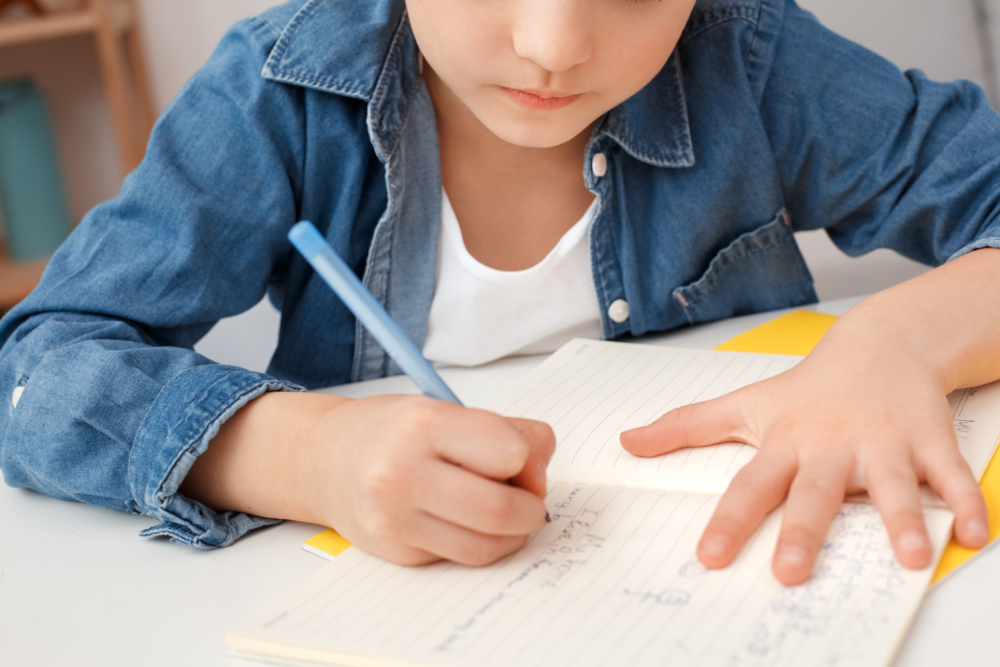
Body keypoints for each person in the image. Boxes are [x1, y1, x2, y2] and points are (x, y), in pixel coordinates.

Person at [1, 0, 998, 587]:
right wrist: (303, 457)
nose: (555, 43)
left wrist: (900, 340)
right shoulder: (280, 89)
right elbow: (39, 369)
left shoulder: (750, 54)